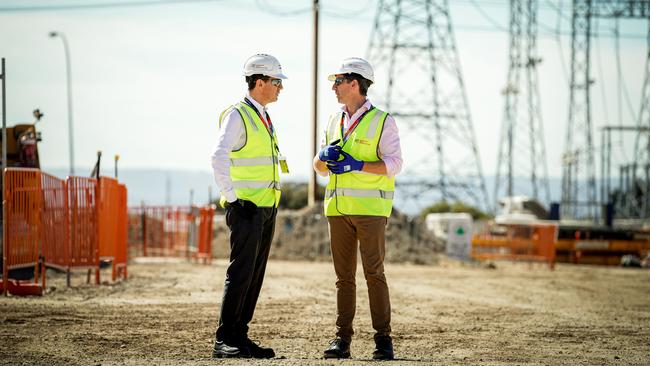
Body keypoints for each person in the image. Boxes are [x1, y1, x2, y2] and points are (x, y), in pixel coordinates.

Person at [312, 57, 402, 360]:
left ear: (355, 83)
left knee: (374, 274)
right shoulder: (332, 120)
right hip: (337, 209)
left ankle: (383, 340)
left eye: (338, 81)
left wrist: (359, 164)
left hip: (370, 211)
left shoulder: (382, 120)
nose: (334, 87)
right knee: (343, 278)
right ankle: (342, 339)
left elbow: (395, 164)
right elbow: (318, 168)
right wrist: (322, 157)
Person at [210, 53, 288, 359]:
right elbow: (218, 157)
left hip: (265, 208)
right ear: (259, 82)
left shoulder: (263, 116)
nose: (280, 87)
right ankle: (224, 338)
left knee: (254, 275)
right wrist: (232, 198)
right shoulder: (237, 115)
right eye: (276, 81)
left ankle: (239, 337)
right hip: (246, 209)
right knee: (240, 273)